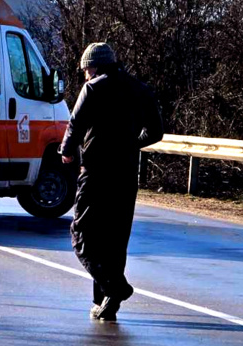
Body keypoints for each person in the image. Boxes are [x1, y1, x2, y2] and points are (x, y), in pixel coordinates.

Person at [58, 42, 163, 322]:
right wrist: (130, 145)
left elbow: (75, 123)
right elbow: (156, 132)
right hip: (126, 173)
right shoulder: (140, 89)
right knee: (115, 239)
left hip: (95, 172)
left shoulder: (93, 88)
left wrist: (66, 151)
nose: (84, 75)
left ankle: (115, 288)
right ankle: (105, 302)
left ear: (94, 67)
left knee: (82, 235)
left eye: (85, 70)